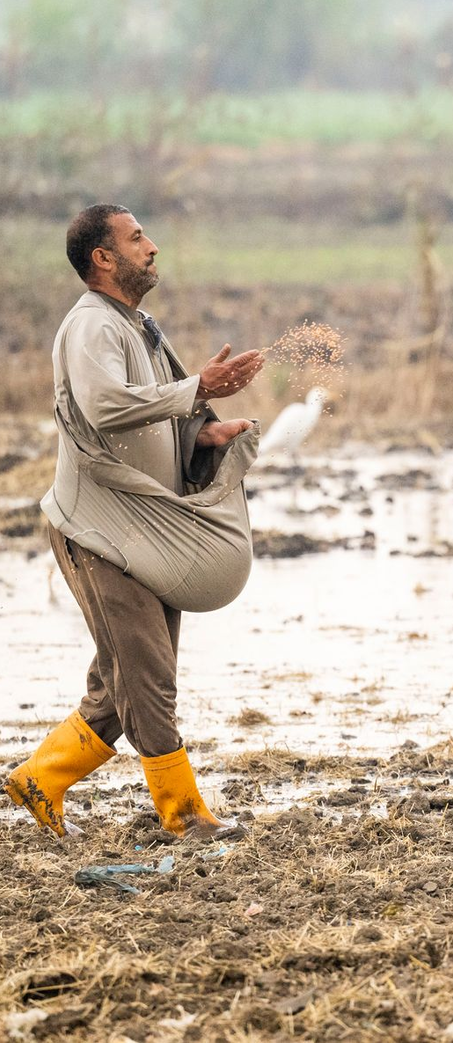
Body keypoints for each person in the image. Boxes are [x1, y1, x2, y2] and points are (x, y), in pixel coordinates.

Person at [4, 204, 263, 839]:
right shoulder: (93, 325)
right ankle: (184, 816)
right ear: (103, 258)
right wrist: (197, 385)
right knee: (146, 675)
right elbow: (106, 408)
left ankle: (40, 778)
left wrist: (203, 433)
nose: (152, 246)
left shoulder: (136, 325)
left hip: (141, 528)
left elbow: (157, 416)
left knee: (122, 680)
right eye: (137, 236)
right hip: (100, 531)